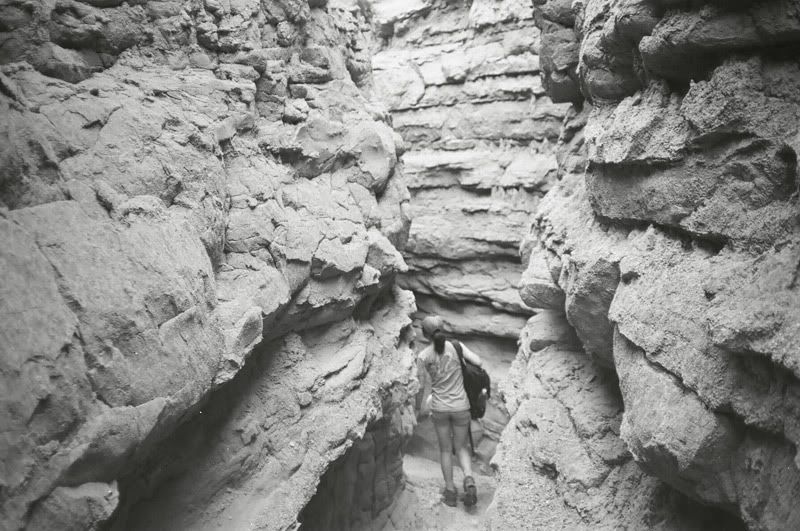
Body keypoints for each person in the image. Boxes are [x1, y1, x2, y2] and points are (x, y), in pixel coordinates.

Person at [416, 315, 484, 508]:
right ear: (442, 330)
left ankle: (450, 492)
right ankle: (469, 480)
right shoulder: (456, 346)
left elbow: (420, 386)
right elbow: (478, 362)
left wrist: (418, 409)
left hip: (440, 408)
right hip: (461, 406)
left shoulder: (423, 357)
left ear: (425, 335)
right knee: (461, 447)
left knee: (445, 449)